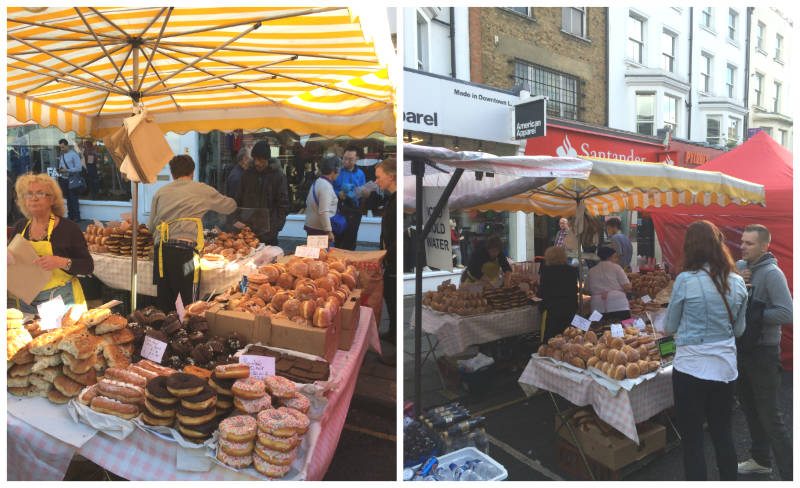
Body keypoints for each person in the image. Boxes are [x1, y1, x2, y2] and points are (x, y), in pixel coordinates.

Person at [664, 220, 748, 481]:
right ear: (719, 245)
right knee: (723, 432)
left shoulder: (685, 280)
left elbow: (669, 326)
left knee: (693, 439)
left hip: (691, 368)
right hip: (725, 368)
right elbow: (739, 331)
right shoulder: (737, 282)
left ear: (689, 248)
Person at [735, 224, 793, 479]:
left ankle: (790, 474)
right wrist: (739, 285)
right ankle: (761, 460)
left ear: (764, 246)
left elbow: (786, 312)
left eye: (749, 243)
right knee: (749, 407)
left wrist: (754, 315)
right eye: (743, 242)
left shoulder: (772, 273)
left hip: (764, 353)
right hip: (743, 349)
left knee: (771, 416)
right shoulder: (740, 269)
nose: (743, 246)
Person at [149, 155, 237, 312]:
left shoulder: (160, 192)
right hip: (187, 255)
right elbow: (230, 206)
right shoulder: (202, 189)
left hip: (162, 253)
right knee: (188, 302)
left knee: (165, 301)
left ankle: (164, 332)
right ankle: (185, 332)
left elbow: (151, 226)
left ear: (172, 173)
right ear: (192, 172)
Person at [7, 174, 93, 314]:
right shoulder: (20, 227)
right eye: (29, 194)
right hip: (26, 301)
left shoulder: (68, 228)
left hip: (60, 301)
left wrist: (60, 261)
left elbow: (88, 266)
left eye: (40, 193)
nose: (34, 198)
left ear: (52, 199)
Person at [236, 140, 289, 246]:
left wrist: (277, 226)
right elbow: (239, 198)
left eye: (260, 160)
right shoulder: (247, 175)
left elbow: (283, 203)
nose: (257, 163)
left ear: (267, 159)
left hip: (269, 230)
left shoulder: (278, 176)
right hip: (248, 229)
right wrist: (238, 218)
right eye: (255, 159)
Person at [375, 157, 397, 345]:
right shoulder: (392, 199)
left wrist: (387, 256)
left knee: (393, 298)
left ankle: (396, 341)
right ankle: (392, 333)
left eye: (379, 176)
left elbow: (395, 236)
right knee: (389, 298)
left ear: (391, 176)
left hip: (394, 261)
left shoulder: (397, 201)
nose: (377, 180)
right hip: (389, 259)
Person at [537, 246, 578, 342]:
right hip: (570, 308)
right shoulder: (572, 271)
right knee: (568, 337)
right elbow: (574, 289)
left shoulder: (546, 271)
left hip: (553, 310)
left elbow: (542, 293)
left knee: (552, 340)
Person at [333, 145, 366, 250]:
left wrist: (364, 193)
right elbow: (328, 188)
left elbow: (363, 192)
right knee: (337, 239)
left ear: (356, 159)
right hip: (338, 209)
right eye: (345, 158)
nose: (346, 161)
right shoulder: (336, 171)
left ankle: (349, 264)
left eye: (350, 159)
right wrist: (338, 193)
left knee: (350, 240)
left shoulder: (361, 174)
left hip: (354, 211)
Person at [587, 246, 631, 322]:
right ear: (609, 257)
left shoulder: (591, 271)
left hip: (597, 307)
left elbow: (586, 290)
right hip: (618, 305)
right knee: (625, 330)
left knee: (599, 330)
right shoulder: (616, 267)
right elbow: (627, 287)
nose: (617, 260)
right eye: (615, 257)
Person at [304, 156, 340, 242]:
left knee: (314, 254)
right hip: (320, 229)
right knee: (321, 254)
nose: (339, 173)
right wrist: (328, 231)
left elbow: (307, 202)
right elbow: (323, 211)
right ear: (333, 171)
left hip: (312, 226)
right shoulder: (326, 186)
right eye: (339, 170)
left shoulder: (317, 182)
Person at [57, 138, 83, 222]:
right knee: (68, 199)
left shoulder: (73, 155)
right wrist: (60, 170)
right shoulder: (62, 155)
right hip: (64, 179)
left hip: (72, 180)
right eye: (60, 147)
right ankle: (70, 216)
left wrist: (67, 170)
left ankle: (76, 217)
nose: (62, 149)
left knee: (73, 199)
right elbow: (61, 165)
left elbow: (79, 168)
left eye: (63, 147)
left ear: (67, 146)